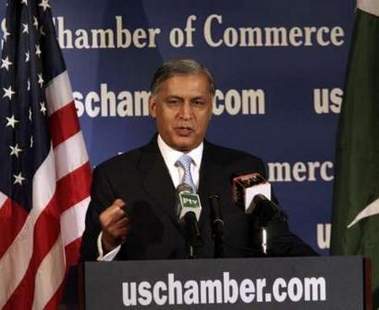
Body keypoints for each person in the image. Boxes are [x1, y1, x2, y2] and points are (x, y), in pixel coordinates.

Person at [79, 58, 317, 261]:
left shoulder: (244, 170)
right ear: (153, 107)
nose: (186, 115)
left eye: (197, 103)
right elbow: (89, 264)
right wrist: (108, 242)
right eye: (174, 102)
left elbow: (278, 241)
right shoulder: (116, 175)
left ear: (210, 109)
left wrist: (335, 273)